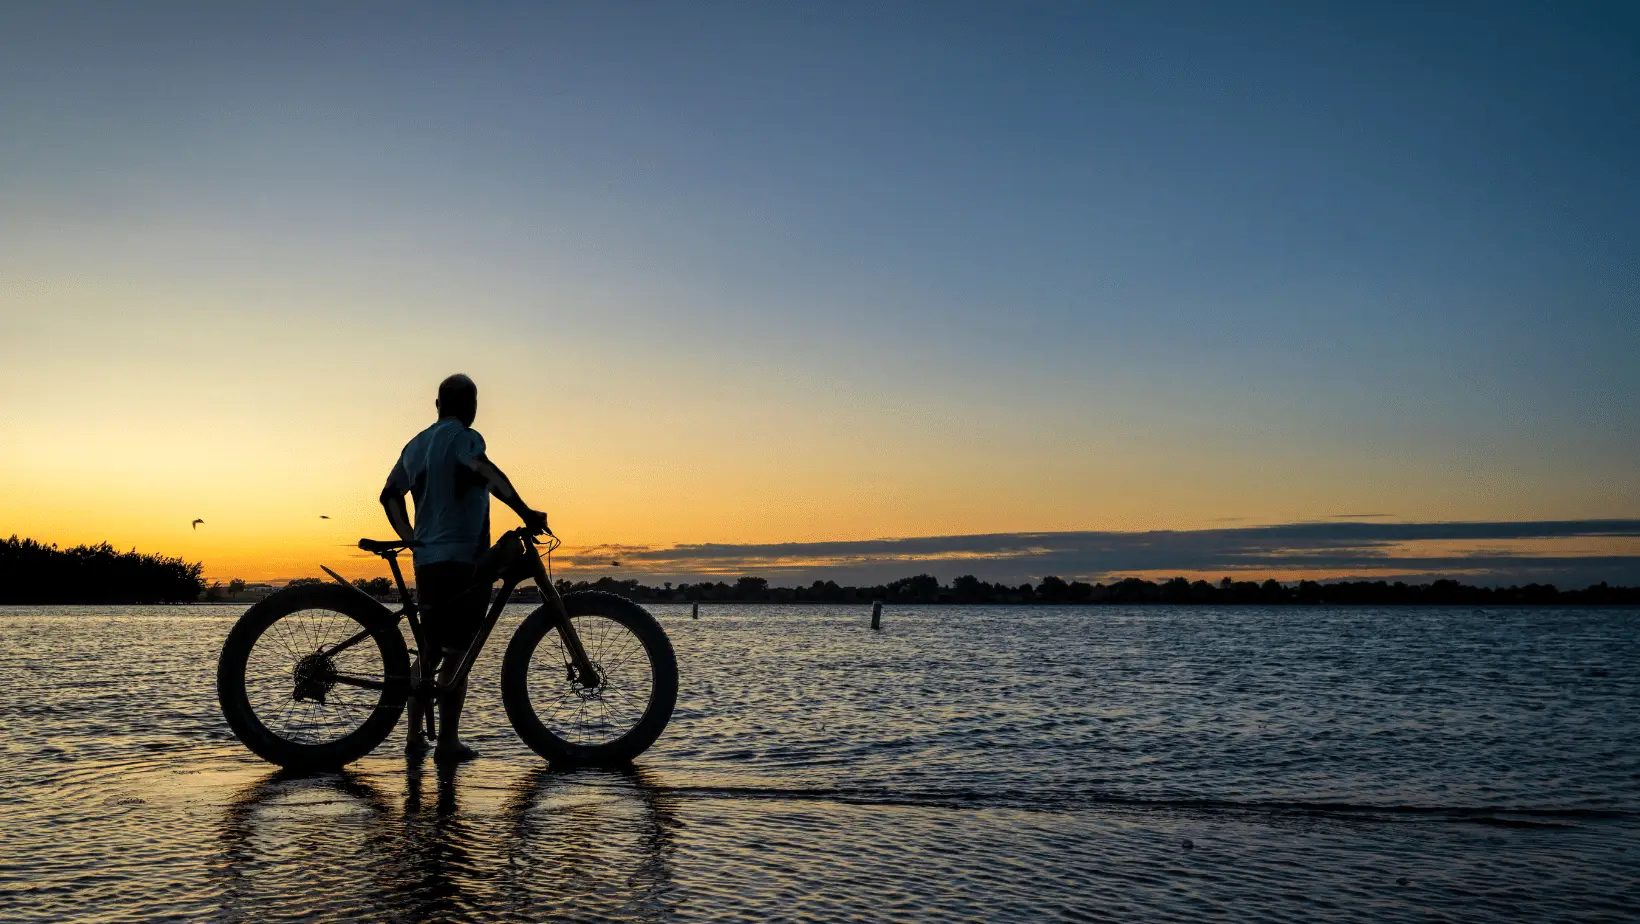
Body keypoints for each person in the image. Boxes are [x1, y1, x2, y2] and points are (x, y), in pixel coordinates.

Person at [380, 373, 549, 763]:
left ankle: (413, 738)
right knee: (457, 653)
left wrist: (410, 536)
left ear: (438, 405)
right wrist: (525, 511)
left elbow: (389, 495)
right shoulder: (464, 437)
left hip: (427, 563)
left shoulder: (416, 445)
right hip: (462, 559)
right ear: (471, 407)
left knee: (430, 648)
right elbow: (485, 472)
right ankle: (449, 743)